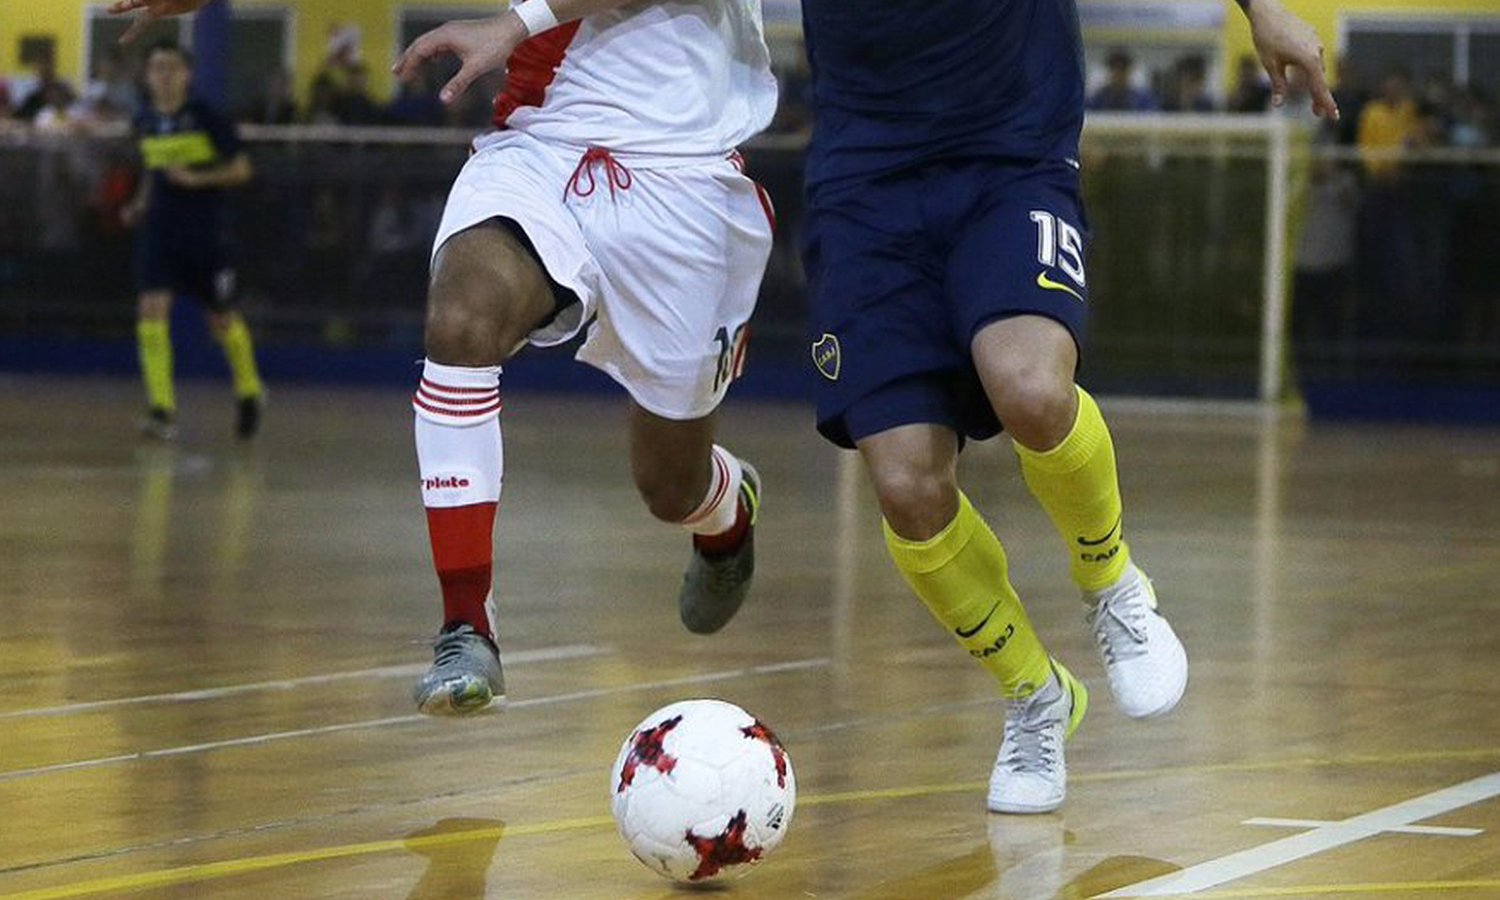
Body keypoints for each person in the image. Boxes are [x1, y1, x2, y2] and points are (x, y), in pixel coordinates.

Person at [109, 0, 778, 712]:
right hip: (542, 148)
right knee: (460, 321)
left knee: (668, 486)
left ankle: (725, 509)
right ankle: (467, 625)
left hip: (683, 178)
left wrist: (518, 22)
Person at [797, 0, 1336, 814]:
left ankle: (1111, 580)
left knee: (1032, 389)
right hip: (864, 187)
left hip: (1008, 157)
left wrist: (1262, 9)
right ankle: (1034, 695)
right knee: (908, 487)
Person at [121, 41, 264, 440]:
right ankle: (161, 408)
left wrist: (197, 178)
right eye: (156, 68)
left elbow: (241, 170)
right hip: (160, 232)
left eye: (170, 68)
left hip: (205, 234)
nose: (162, 76)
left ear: (186, 74)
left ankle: (250, 391)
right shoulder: (145, 119)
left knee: (221, 319)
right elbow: (154, 170)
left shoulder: (208, 118)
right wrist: (139, 204)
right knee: (151, 310)